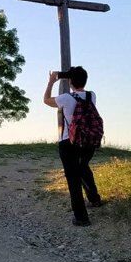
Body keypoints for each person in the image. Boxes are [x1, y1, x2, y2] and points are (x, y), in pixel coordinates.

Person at [43, 66, 104, 226]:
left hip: (69, 143)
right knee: (83, 167)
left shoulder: (65, 98)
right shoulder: (92, 96)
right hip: (89, 142)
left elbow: (46, 100)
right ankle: (94, 199)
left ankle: (81, 217)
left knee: (73, 179)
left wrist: (51, 82)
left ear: (70, 81)